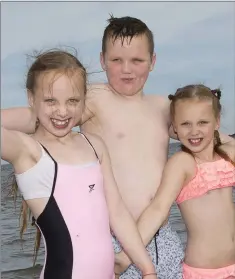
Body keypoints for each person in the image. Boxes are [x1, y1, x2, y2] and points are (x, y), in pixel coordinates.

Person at [2, 16, 233, 278]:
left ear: (153, 61)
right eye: (116, 60)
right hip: (116, 239)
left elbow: (204, 131)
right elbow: (38, 115)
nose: (127, 69)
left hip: (162, 238)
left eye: (137, 60)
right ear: (102, 60)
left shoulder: (161, 107)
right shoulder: (95, 100)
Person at [1, 49, 158, 279]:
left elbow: (117, 212)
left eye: (73, 100)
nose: (62, 111)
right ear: (31, 98)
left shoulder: (94, 144)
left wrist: (147, 268)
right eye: (50, 100)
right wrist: (33, 115)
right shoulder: (28, 151)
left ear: (85, 99)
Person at [134, 84, 235, 279]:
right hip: (205, 271)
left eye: (202, 122)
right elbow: (158, 209)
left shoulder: (228, 155)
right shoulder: (182, 163)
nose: (194, 131)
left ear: (217, 122)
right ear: (175, 127)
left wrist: (215, 135)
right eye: (185, 124)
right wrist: (130, 253)